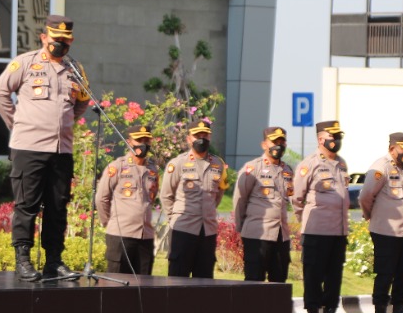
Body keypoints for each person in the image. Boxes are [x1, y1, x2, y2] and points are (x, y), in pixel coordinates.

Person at [0, 14, 89, 282]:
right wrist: (17, 123)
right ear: (44, 37)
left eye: (66, 41)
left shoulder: (75, 69)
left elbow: (82, 101)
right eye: (57, 39)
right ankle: (23, 259)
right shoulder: (26, 63)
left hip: (62, 150)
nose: (61, 45)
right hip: (28, 148)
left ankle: (54, 261)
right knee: (27, 206)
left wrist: (65, 122)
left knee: (58, 208)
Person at [292, 120, 352, 313]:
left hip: (338, 230)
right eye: (332, 136)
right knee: (314, 275)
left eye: (338, 136)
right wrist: (306, 219)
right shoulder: (310, 164)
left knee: (334, 275)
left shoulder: (342, 164)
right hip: (316, 230)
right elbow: (297, 198)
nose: (336, 140)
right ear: (320, 139)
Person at [360, 132, 403, 313]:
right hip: (385, 230)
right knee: (385, 274)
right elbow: (366, 196)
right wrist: (372, 215)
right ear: (392, 148)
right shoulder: (380, 167)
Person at [160, 120, 227, 278]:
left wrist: (207, 211)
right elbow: (166, 195)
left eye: (205, 135)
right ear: (188, 138)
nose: (201, 138)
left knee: (204, 280)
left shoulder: (218, 164)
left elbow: (218, 194)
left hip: (207, 231)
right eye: (197, 135)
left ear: (210, 136)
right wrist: (175, 218)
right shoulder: (178, 163)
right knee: (178, 278)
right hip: (183, 229)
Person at [233, 126, 295, 284]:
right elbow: (239, 200)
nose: (278, 145)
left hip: (281, 235)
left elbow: (292, 198)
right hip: (257, 234)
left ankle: (275, 310)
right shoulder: (252, 168)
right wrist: (242, 228)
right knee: (254, 281)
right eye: (274, 141)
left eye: (282, 141)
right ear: (264, 145)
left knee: (279, 281)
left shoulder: (287, 171)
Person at [96, 125, 159, 275]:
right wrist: (109, 223)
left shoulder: (153, 170)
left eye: (146, 140)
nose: (143, 144)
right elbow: (101, 199)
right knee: (117, 285)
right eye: (139, 140)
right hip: (120, 235)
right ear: (129, 141)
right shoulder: (117, 167)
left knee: (143, 287)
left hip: (145, 236)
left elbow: (152, 197)